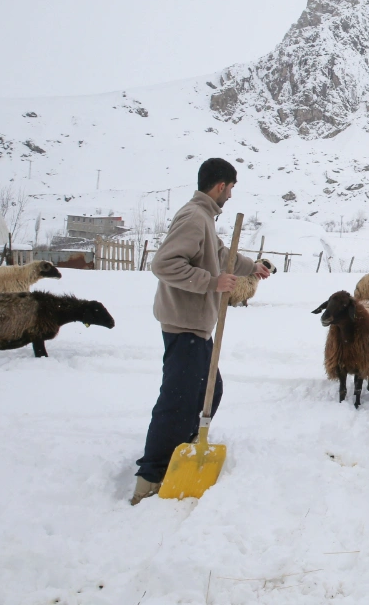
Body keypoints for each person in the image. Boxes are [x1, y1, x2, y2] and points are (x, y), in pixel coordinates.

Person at [131, 158, 270, 505]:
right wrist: (211, 282)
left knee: (210, 389)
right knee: (178, 400)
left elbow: (221, 254)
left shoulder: (205, 218)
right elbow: (164, 264)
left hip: (196, 324)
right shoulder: (195, 217)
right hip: (185, 323)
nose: (232, 195)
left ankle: (185, 445)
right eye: (232, 188)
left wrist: (252, 266)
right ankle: (151, 475)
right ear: (221, 186)